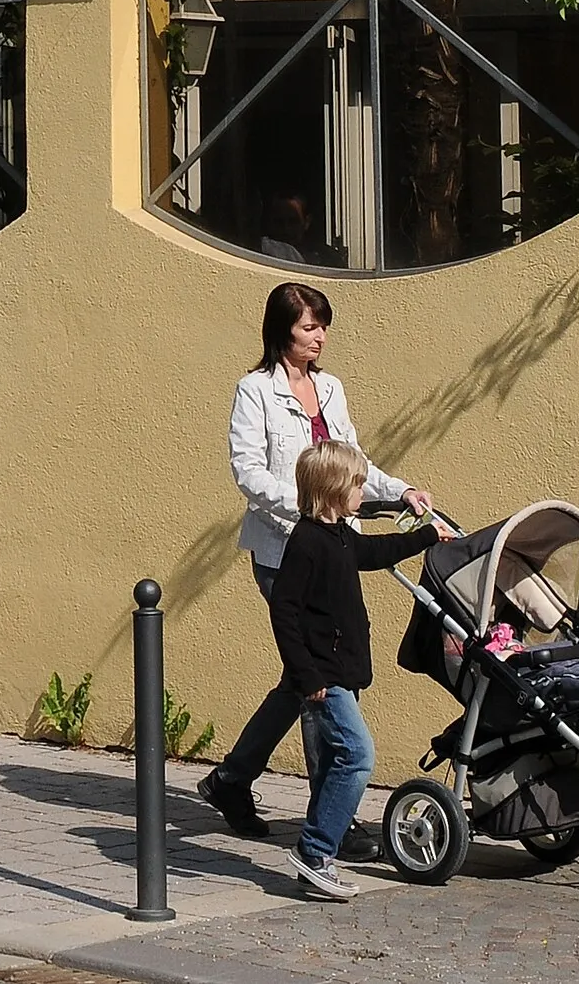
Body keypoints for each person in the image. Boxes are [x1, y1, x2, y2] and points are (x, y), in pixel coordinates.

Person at [199, 282, 447, 847]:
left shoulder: (330, 388)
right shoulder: (254, 391)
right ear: (283, 329)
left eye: (323, 327)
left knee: (304, 675)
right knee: (322, 674)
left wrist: (402, 490)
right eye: (310, 327)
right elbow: (249, 473)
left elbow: (350, 462)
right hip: (285, 549)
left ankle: (232, 780)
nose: (320, 337)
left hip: (335, 545)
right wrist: (309, 510)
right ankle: (329, 816)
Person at [269, 439, 433, 898]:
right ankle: (315, 849)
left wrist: (425, 537)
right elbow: (283, 611)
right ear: (333, 490)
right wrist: (308, 675)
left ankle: (318, 860)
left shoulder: (340, 534)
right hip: (324, 676)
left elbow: (374, 555)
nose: (363, 492)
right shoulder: (306, 542)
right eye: (357, 484)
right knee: (358, 756)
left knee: (328, 767)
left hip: (343, 671)